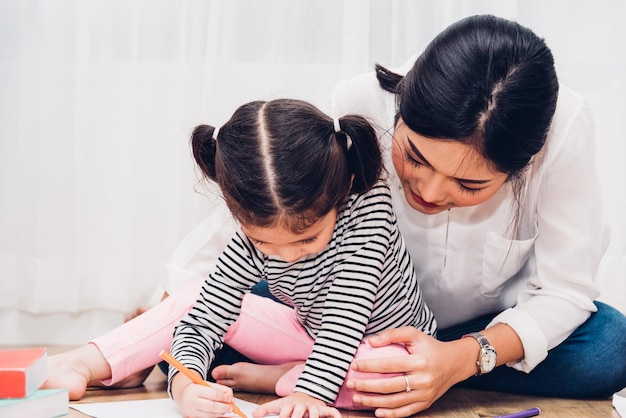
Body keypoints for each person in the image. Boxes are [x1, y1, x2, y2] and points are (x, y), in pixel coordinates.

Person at [44, 14, 626, 417]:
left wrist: (461, 358)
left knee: (609, 345)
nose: (427, 188)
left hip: (444, 336)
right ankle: (111, 360)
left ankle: (290, 375)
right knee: (200, 312)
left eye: (470, 184)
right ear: (397, 108)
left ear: (523, 164)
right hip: (318, 328)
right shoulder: (354, 113)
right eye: (414, 157)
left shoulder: (564, 132)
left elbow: (566, 289)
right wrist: (179, 347)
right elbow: (263, 216)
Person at [170, 98, 438, 417]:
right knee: (185, 310)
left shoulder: (369, 207)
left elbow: (344, 315)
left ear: (345, 186)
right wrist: (185, 388)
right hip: (315, 342)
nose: (289, 255)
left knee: (397, 378)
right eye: (264, 242)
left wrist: (309, 394)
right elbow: (204, 318)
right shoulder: (250, 240)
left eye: (308, 237)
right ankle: (294, 374)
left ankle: (286, 377)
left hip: (393, 346)